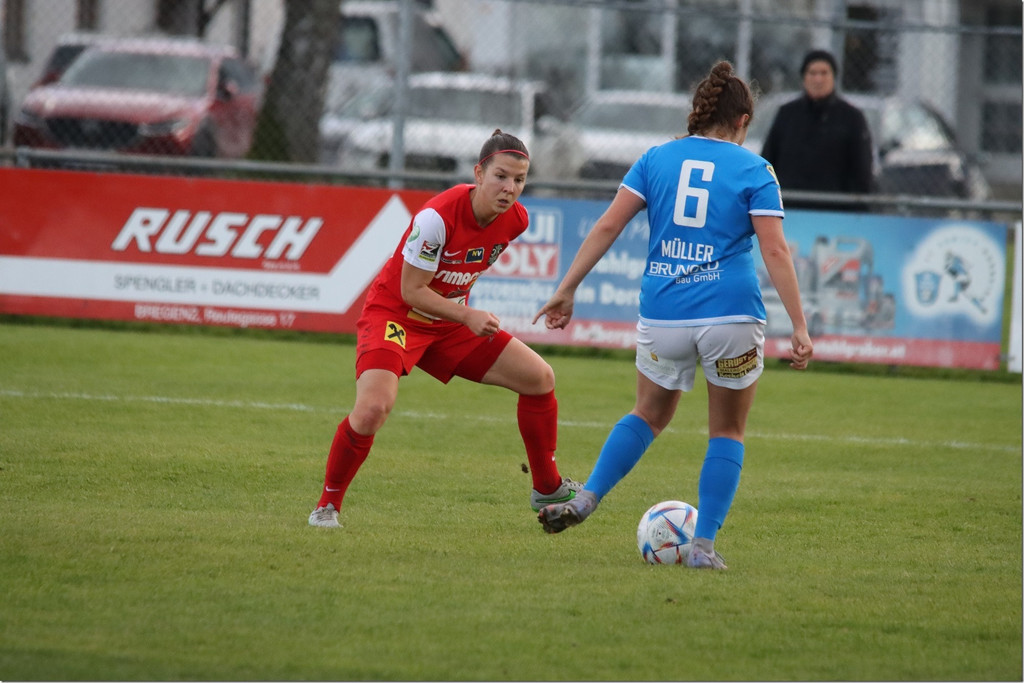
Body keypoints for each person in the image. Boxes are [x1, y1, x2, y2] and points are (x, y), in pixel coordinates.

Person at [532, 62, 813, 569]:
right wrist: (799, 324)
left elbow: (607, 225)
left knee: (647, 414)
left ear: (698, 113)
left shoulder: (655, 158)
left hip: (664, 314)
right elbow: (774, 250)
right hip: (730, 317)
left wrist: (566, 289)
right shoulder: (756, 169)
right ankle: (702, 547)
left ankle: (587, 497)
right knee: (726, 431)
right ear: (743, 121)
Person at [308, 129, 581, 528]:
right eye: (500, 176)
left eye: (519, 180)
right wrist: (467, 315)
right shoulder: (436, 218)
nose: (509, 188)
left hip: (448, 324)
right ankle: (327, 506)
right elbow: (412, 291)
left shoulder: (516, 220)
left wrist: (462, 314)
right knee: (372, 409)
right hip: (396, 316)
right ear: (478, 173)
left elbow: (461, 269)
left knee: (539, 378)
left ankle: (547, 487)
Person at [760, 49, 873, 208]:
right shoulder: (787, 114)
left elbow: (862, 170)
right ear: (804, 77)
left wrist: (856, 208)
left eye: (824, 73)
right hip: (790, 207)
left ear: (834, 77)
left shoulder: (851, 118)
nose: (818, 79)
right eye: (812, 73)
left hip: (835, 210)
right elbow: (768, 160)